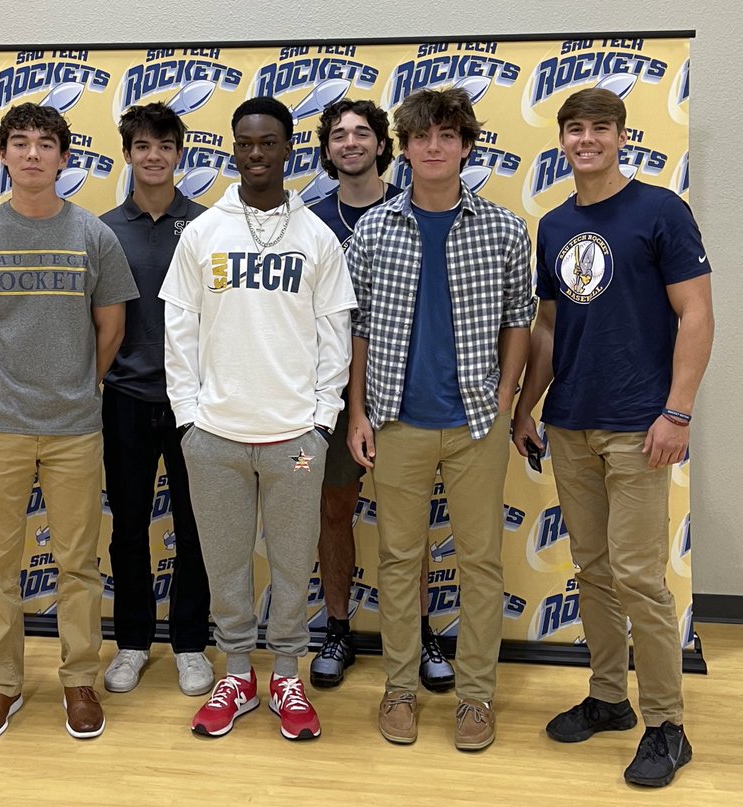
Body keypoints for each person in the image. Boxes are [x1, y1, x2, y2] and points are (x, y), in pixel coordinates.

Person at [511, 87, 714, 788]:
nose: (586, 139)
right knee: (593, 570)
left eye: (600, 128)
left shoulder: (661, 211)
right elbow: (547, 325)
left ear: (622, 137)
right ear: (562, 140)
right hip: (570, 421)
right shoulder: (556, 222)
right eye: (574, 129)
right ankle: (608, 698)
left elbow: (697, 314)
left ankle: (667, 723)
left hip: (639, 423)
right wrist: (524, 406)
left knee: (638, 576)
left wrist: (678, 411)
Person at [0, 102, 138, 742]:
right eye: (18, 143)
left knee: (77, 563)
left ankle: (79, 680)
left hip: (75, 425)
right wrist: (8, 381)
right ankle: (2, 685)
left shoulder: (94, 236)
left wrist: (75, 382)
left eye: (44, 144)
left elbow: (111, 330)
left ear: (64, 158)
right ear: (1, 156)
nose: (30, 154)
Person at [161, 96, 356, 741]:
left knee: (295, 564)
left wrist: (322, 418)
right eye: (245, 143)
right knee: (226, 565)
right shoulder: (203, 232)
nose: (255, 154)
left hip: (294, 437)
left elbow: (336, 333)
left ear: (288, 149)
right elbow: (178, 328)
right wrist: (188, 415)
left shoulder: (316, 235)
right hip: (215, 435)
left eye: (268, 143)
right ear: (233, 149)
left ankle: (289, 677)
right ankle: (238, 672)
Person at [346, 87, 533, 751]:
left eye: (448, 136)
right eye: (423, 136)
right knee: (399, 560)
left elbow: (520, 318)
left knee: (480, 562)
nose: (434, 147)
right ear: (407, 147)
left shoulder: (504, 228)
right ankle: (399, 688)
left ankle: (475, 698)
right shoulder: (374, 229)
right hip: (396, 421)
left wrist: (506, 394)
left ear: (466, 146)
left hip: (477, 423)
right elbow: (359, 328)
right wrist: (358, 412)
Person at [307, 98, 454, 695]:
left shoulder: (412, 209)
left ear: (382, 145)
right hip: (329, 396)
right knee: (335, 512)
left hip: (401, 393)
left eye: (361, 133)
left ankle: (420, 633)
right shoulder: (309, 223)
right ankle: (338, 628)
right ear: (326, 150)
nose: (349, 143)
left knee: (406, 524)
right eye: (338, 135)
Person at [99, 103, 212, 697]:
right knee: (128, 528)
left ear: (179, 153)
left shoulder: (206, 227)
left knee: (196, 528)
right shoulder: (102, 230)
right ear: (128, 154)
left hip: (195, 403)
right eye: (142, 145)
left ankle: (191, 644)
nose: (153, 155)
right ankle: (134, 643)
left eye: (165, 145)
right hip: (123, 397)